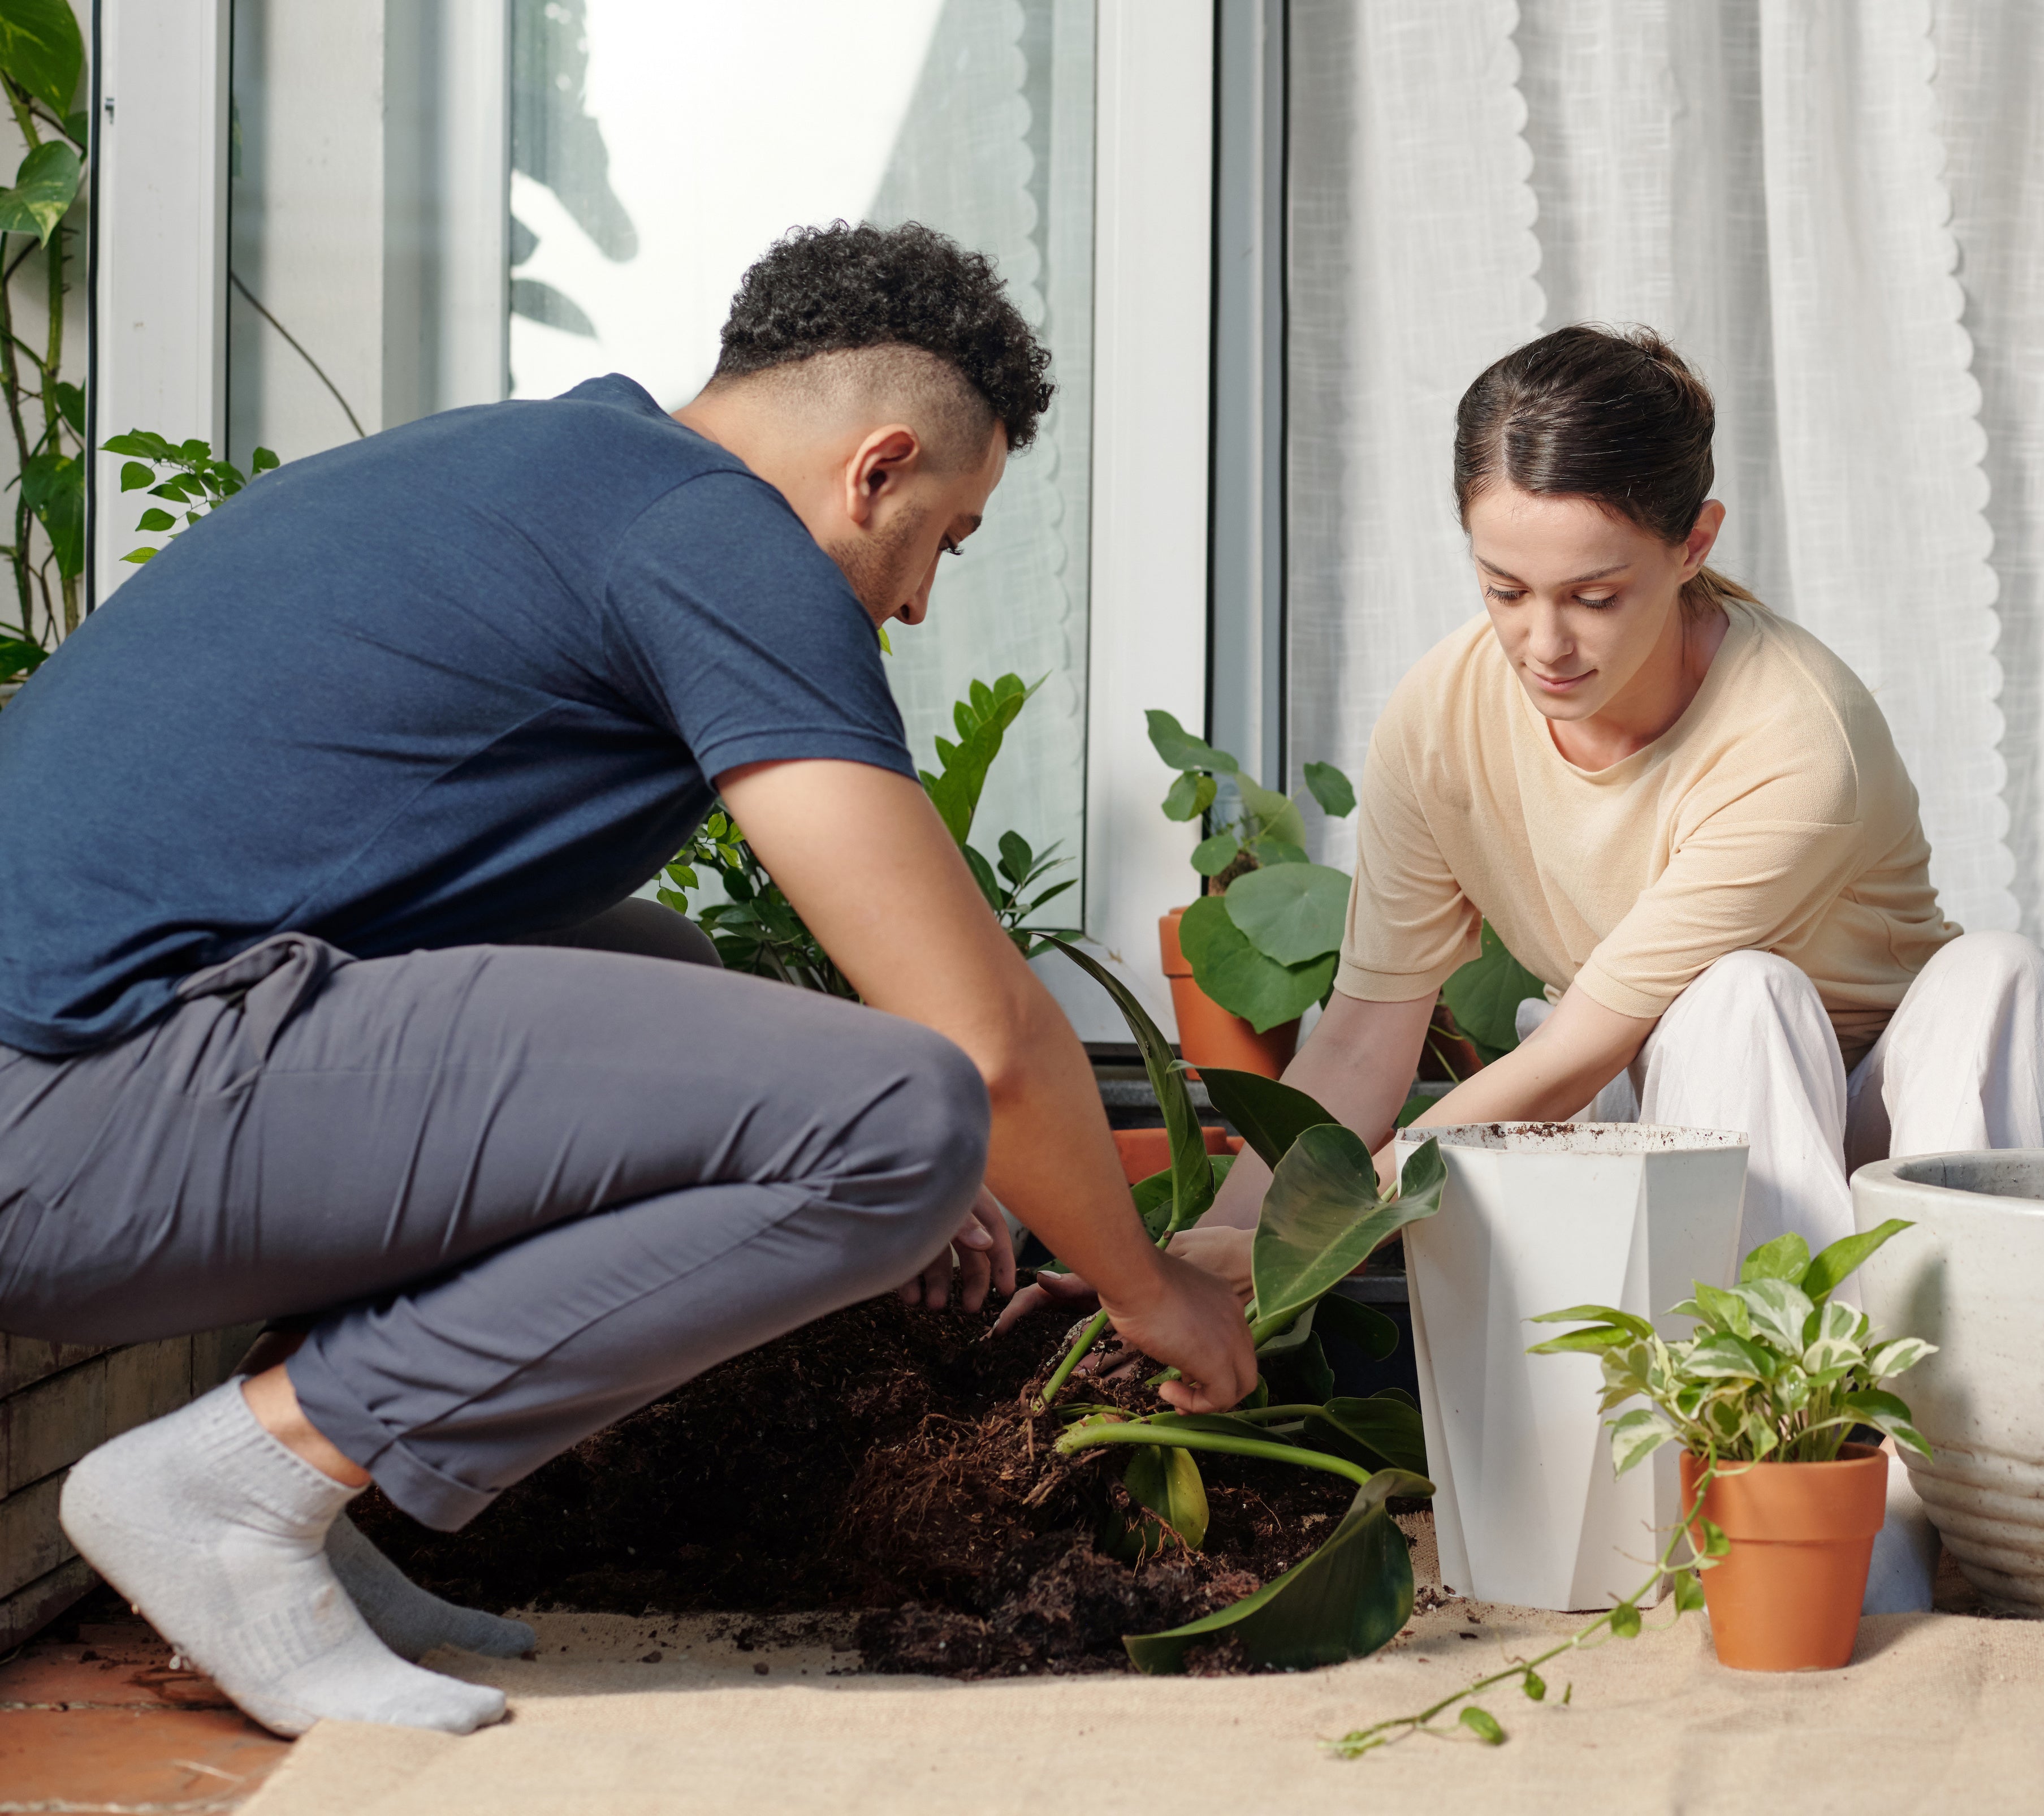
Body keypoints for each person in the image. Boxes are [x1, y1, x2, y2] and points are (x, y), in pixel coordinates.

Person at [0, 222, 1255, 1739]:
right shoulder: (718, 543)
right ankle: (235, 1481)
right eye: (945, 534)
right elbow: (978, 1043)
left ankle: (308, 1508)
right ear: (878, 467)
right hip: (69, 1109)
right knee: (910, 1110)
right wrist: (1148, 1286)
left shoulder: (560, 466)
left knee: (672, 967)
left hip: (91, 1076)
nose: (920, 601)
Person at [1165, 324, 2044, 1609]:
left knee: (1994, 975)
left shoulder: (1792, 731)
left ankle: (1963, 1507)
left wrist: (1326, 1230)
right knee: (1730, 1003)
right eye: (1503, 589)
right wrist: (1218, 1244)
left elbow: (1573, 1048)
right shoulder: (1439, 718)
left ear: (1692, 545)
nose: (1543, 642)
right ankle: (1769, 1499)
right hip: (1657, 1128)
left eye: (1594, 595)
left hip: (1871, 1112)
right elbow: (1370, 1031)